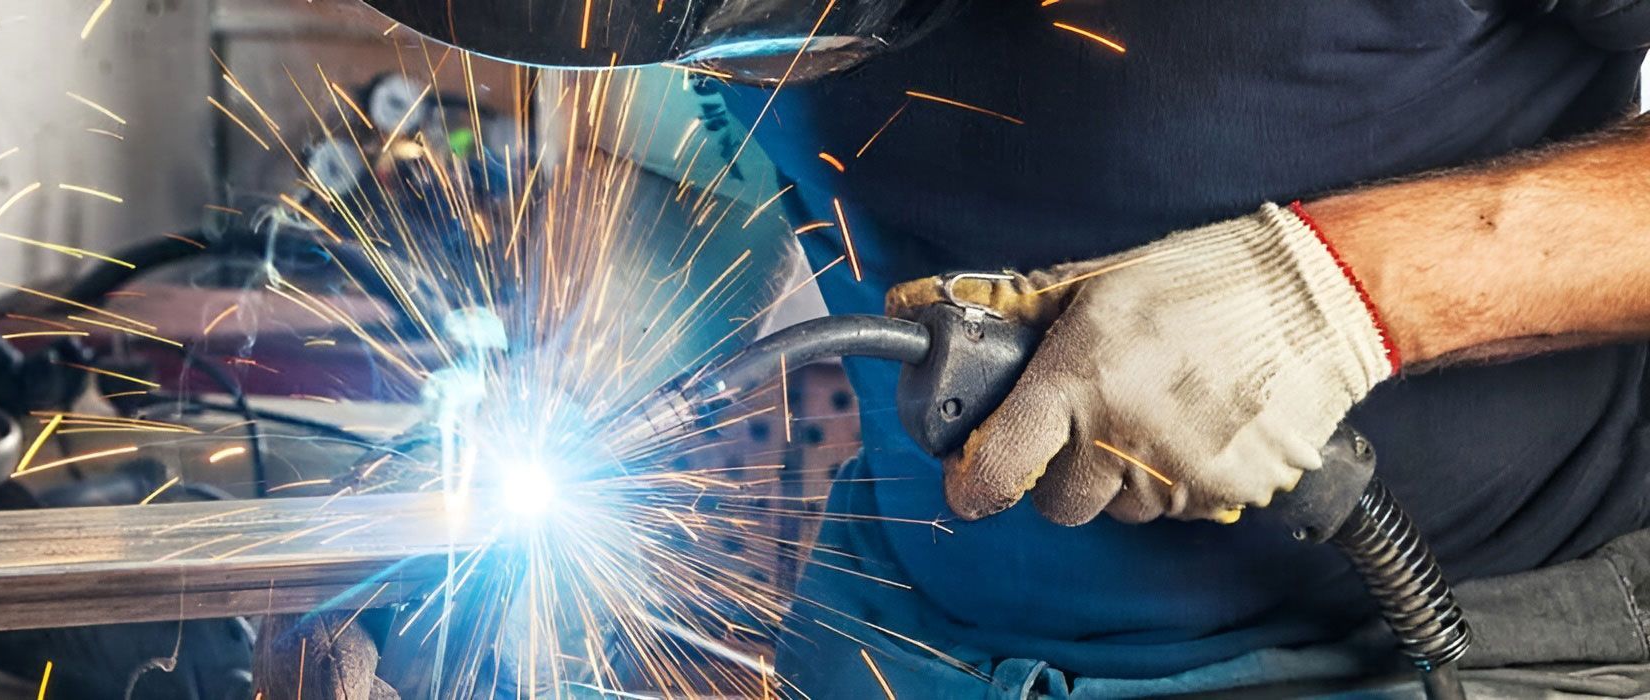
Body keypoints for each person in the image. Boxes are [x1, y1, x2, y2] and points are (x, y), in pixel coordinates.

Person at [362, 1, 1650, 696]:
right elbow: (697, 184)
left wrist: (1339, 290)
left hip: (1428, 635)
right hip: (894, 641)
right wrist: (525, 414)